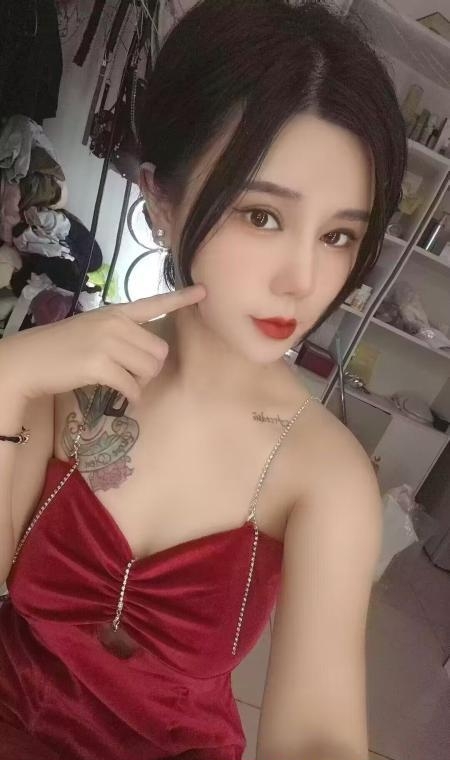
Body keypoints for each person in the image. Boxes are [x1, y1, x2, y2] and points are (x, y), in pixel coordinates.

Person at [0, 1, 407, 759]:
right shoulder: (73, 376)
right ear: (161, 200)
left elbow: (316, 735)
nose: (303, 278)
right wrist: (8, 375)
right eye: (263, 216)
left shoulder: (326, 477)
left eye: (338, 235)